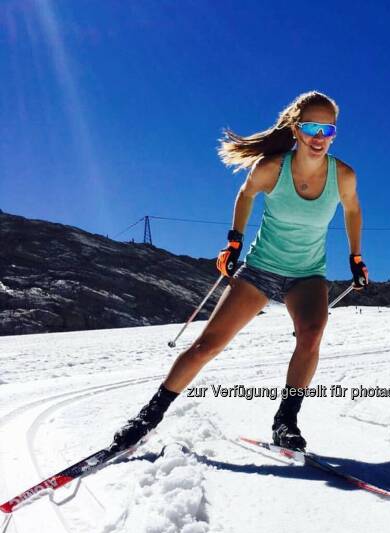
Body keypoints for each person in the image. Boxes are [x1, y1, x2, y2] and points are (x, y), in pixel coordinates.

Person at [110, 91, 368, 453]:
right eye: (312, 127)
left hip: (308, 274)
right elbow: (246, 195)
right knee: (207, 345)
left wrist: (356, 258)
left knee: (310, 337)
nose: (320, 137)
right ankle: (148, 417)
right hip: (261, 268)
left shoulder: (343, 176)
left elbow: (353, 210)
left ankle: (285, 422)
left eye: (328, 129)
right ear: (296, 130)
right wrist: (233, 242)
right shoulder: (271, 169)